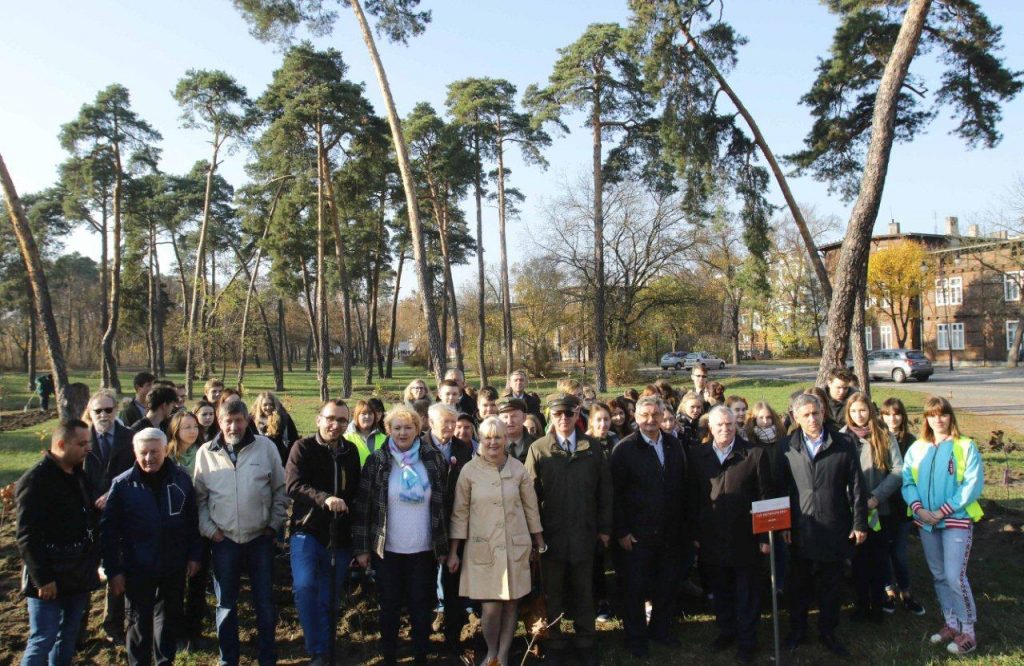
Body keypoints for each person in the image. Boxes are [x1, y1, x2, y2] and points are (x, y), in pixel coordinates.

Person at [193, 399, 288, 666]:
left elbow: (280, 491)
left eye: (238, 420)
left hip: (260, 538)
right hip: (224, 541)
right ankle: (228, 659)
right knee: (226, 605)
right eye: (228, 421)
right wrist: (211, 531)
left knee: (265, 603)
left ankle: (267, 657)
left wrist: (273, 526)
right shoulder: (205, 453)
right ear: (219, 422)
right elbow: (199, 500)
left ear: (247, 420)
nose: (233, 426)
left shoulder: (266, 448)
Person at [354, 405, 450, 666]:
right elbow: (363, 506)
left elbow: (443, 506)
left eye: (408, 427)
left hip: (423, 549)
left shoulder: (434, 459)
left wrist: (444, 547)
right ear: (388, 430)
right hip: (388, 550)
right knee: (390, 608)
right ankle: (389, 657)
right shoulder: (377, 461)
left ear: (418, 429)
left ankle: (421, 655)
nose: (403, 432)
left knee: (421, 607)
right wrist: (362, 548)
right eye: (397, 428)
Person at [100, 428, 201, 665]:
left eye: (154, 452)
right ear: (135, 453)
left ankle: (165, 661)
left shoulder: (181, 479)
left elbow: (191, 521)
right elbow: (109, 532)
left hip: (173, 564)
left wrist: (194, 555)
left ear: (165, 450)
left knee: (167, 620)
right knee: (138, 622)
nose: (149, 458)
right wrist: (113, 570)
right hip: (137, 566)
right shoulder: (122, 485)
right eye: (143, 453)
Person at [448, 417, 544, 666]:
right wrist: (454, 551)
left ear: (505, 439)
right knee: (491, 609)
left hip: (516, 546)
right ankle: (491, 651)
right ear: (481, 439)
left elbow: (530, 507)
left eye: (498, 437)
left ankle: (503, 654)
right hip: (483, 549)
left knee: (511, 605)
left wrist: (538, 540)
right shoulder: (469, 470)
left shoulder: (518, 469)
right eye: (488, 437)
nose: (493, 442)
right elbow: (460, 512)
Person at [777, 393, 868, 657]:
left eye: (815, 413)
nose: (812, 419)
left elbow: (858, 486)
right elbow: (779, 488)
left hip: (834, 526)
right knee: (798, 585)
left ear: (823, 412)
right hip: (799, 528)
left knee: (831, 585)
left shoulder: (842, 443)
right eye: (805, 415)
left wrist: (859, 522)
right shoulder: (786, 447)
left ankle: (828, 631)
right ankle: (798, 630)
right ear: (795, 418)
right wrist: (783, 524)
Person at [525, 394, 612, 665]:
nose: (563, 419)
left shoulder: (593, 448)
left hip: (585, 532)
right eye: (557, 414)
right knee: (553, 592)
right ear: (551, 416)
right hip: (551, 535)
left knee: (584, 590)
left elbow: (605, 491)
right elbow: (529, 496)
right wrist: (533, 535)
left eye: (568, 414)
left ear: (577, 416)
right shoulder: (539, 449)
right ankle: (555, 641)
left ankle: (586, 640)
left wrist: (605, 528)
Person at [901, 396, 984, 656]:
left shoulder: (965, 446)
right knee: (938, 576)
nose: (938, 419)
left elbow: (971, 485)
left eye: (943, 414)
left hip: (955, 520)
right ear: (926, 418)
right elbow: (907, 481)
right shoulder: (917, 448)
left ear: (950, 417)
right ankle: (951, 623)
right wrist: (919, 509)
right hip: (926, 522)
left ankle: (968, 631)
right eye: (932, 415)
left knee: (954, 577)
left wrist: (942, 511)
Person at [609, 396, 690, 658]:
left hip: (670, 531)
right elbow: (615, 495)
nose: (650, 420)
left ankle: (661, 631)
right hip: (637, 534)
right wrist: (621, 531)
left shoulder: (674, 444)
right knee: (635, 589)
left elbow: (682, 484)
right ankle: (636, 638)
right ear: (636, 417)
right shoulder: (624, 449)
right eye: (644, 415)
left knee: (667, 585)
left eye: (655, 414)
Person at [691, 406, 772, 663]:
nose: (725, 429)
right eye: (719, 425)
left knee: (746, 592)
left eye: (729, 424)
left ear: (736, 425)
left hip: (745, 537)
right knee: (721, 589)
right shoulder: (698, 455)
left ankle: (747, 640)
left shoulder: (754, 454)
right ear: (710, 428)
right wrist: (694, 533)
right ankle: (726, 631)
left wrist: (764, 537)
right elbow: (691, 498)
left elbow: (765, 495)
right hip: (712, 536)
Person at [16, 420, 100, 666]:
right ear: (61, 444)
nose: (88, 448)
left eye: (89, 442)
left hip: (77, 570)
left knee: (68, 635)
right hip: (49, 574)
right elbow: (26, 535)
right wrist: (42, 578)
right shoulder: (35, 480)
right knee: (43, 637)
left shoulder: (78, 475)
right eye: (82, 443)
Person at [286, 399, 362, 666]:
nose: (335, 425)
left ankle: (327, 649)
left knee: (329, 597)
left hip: (340, 537)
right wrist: (325, 498)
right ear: (319, 419)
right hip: (307, 531)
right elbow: (293, 485)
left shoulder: (350, 451)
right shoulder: (303, 448)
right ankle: (316, 649)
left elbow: (355, 492)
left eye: (342, 420)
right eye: (330, 418)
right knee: (305, 587)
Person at [841, 392, 904, 624]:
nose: (859, 415)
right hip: (852, 510)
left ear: (871, 411)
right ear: (848, 413)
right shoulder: (841, 437)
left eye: (863, 410)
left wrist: (877, 496)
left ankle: (877, 604)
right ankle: (861, 604)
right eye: (854, 411)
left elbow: (898, 470)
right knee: (857, 559)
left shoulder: (883, 435)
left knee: (877, 558)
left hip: (878, 508)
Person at [81, 389, 136, 642]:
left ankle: (113, 625)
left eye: (108, 410)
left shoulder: (129, 438)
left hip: (120, 514)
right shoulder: (81, 438)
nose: (103, 414)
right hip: (86, 515)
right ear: (90, 414)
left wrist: (113, 494)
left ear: (116, 411)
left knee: (117, 569)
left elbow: (138, 471)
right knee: (83, 572)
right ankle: (77, 628)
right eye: (98, 411)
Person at [426, 403, 474, 654]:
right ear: (431, 422)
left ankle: (453, 639)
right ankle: (422, 639)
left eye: (452, 422)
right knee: (424, 585)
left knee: (453, 584)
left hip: (455, 524)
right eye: (445, 422)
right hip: (426, 526)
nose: (450, 427)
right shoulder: (419, 447)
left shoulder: (463, 447)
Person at [878, 397, 926, 615]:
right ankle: (889, 591)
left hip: (903, 505)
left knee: (899, 552)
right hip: (881, 503)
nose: (892, 418)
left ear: (903, 416)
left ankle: (906, 592)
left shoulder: (911, 441)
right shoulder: (877, 438)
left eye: (896, 414)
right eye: (887, 414)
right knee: (884, 553)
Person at [165, 410, 210, 641]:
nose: (192, 431)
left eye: (194, 426)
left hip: (199, 523)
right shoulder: (167, 457)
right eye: (186, 427)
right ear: (175, 431)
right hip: (174, 527)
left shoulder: (206, 451)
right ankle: (174, 629)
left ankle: (194, 630)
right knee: (173, 584)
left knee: (197, 580)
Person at [585, 402, 618, 623]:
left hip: (616, 504)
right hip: (593, 508)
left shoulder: (616, 441)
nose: (603, 424)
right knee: (596, 560)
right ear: (591, 422)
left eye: (606, 419)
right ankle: (600, 601)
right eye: (599, 420)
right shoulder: (585, 444)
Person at [251, 391, 299, 465]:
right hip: (258, 460)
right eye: (265, 405)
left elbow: (293, 439)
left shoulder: (284, 418)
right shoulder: (252, 420)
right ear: (260, 406)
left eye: (271, 404)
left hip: (281, 459)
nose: (268, 407)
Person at [346, 399, 388, 466]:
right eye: (363, 413)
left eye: (370, 413)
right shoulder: (346, 438)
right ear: (357, 416)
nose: (367, 416)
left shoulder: (385, 439)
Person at [498, 397, 535, 463]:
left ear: (524, 417)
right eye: (505, 417)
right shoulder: (492, 446)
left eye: (514, 416)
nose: (509, 421)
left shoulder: (536, 445)